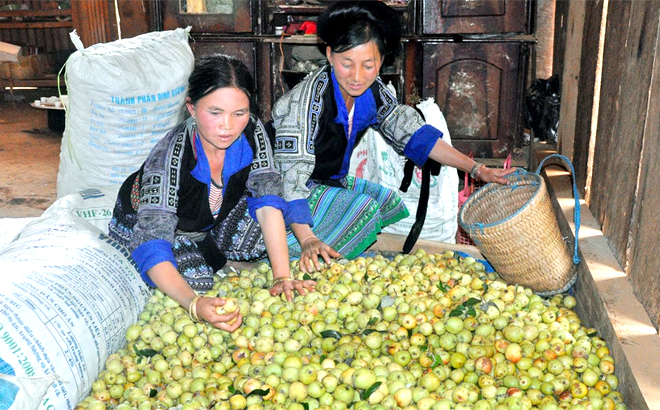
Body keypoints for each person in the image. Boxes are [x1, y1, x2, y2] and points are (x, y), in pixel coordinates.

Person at [271, 1, 515, 273]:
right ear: (329, 55)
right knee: (362, 207)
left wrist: (477, 169)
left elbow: (414, 134)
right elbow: (290, 179)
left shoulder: (372, 92)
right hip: (280, 190)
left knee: (386, 203)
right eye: (346, 64)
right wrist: (308, 239)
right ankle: (296, 254)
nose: (357, 77)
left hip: (327, 181)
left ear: (381, 62)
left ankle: (326, 249)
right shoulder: (303, 104)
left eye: (368, 65)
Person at [109, 54, 314, 331]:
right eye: (215, 112)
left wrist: (281, 277)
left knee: (272, 226)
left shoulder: (252, 130)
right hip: (152, 230)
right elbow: (152, 242)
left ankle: (214, 254)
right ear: (191, 108)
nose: (228, 126)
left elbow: (267, 202)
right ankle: (207, 259)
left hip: (206, 219)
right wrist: (194, 305)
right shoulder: (171, 156)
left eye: (238, 113)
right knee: (197, 284)